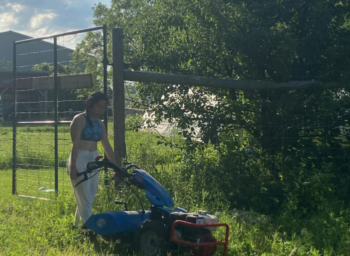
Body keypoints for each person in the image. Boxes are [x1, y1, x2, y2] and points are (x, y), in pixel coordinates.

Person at [67, 91, 117, 228]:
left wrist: (116, 166)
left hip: (94, 158)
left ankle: (77, 226)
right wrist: (73, 167)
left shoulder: (100, 124)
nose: (101, 110)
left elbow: (106, 144)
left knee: (89, 195)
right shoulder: (79, 119)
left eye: (104, 107)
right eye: (99, 106)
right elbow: (75, 144)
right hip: (79, 157)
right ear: (90, 104)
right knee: (85, 196)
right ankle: (92, 228)